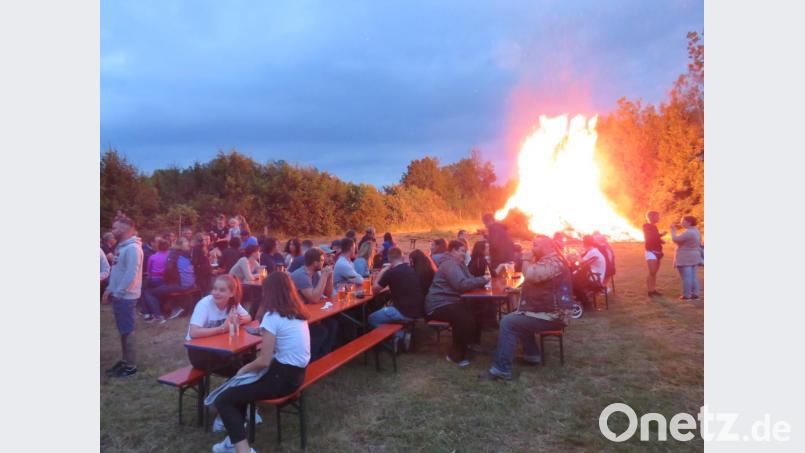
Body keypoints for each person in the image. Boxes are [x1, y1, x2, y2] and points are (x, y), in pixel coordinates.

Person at [211, 272, 310, 453]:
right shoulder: (297, 313)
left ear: (270, 292)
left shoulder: (272, 317)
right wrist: (263, 333)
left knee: (223, 399)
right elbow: (281, 339)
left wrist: (243, 369)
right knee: (237, 393)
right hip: (297, 375)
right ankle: (231, 442)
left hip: (281, 378)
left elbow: (263, 362)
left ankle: (242, 450)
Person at [481, 236, 573, 380]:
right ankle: (532, 355)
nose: (532, 248)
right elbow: (543, 286)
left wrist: (525, 259)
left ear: (546, 246)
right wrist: (516, 290)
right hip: (547, 312)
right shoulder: (551, 261)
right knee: (519, 317)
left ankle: (501, 369)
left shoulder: (554, 262)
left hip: (553, 315)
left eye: (535, 245)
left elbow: (532, 276)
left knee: (508, 322)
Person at [425, 240, 489, 366]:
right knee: (464, 318)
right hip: (438, 304)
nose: (464, 254)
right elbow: (460, 284)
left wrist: (481, 280)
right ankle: (455, 356)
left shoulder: (459, 264)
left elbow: (469, 279)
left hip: (450, 301)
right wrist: (483, 280)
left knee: (474, 313)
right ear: (453, 250)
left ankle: (470, 344)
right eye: (462, 251)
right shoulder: (449, 264)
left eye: (465, 252)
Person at [186, 275, 252, 376]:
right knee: (238, 367)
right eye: (215, 289)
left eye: (222, 290)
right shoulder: (205, 304)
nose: (216, 293)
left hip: (220, 347)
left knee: (248, 358)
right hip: (199, 352)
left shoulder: (233, 304)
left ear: (232, 293)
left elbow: (248, 317)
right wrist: (222, 328)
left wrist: (238, 320)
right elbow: (193, 332)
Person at [102, 217, 144, 378]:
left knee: (128, 331)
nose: (113, 230)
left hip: (127, 297)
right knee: (123, 331)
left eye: (115, 227)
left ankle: (131, 366)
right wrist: (110, 289)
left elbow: (131, 274)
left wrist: (118, 292)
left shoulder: (133, 248)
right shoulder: (122, 246)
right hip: (120, 295)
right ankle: (125, 361)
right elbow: (118, 270)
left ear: (127, 228)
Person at [370, 247, 424, 351]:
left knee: (372, 318)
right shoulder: (412, 270)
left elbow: (374, 290)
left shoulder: (391, 272)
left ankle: (400, 335)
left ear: (389, 260)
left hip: (403, 312)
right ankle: (397, 337)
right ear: (402, 257)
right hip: (418, 310)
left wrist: (383, 271)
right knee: (387, 307)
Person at [290, 247, 337, 360]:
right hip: (295, 316)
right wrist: (324, 276)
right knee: (321, 331)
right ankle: (312, 361)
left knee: (333, 324)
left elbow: (328, 294)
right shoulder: (301, 275)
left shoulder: (315, 273)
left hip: (310, 312)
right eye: (321, 260)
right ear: (315, 263)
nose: (324, 262)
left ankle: (324, 358)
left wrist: (329, 276)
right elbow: (314, 298)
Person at [143, 237, 196, 321]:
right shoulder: (187, 253)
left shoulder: (173, 254)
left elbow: (169, 270)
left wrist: (167, 281)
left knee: (148, 292)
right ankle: (168, 307)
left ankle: (158, 315)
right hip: (191, 283)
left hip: (181, 285)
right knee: (162, 288)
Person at [671, 215, 703, 300]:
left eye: (682, 221)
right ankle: (695, 294)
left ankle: (687, 296)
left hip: (685, 257)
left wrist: (673, 230)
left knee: (686, 277)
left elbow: (675, 239)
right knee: (693, 276)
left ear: (688, 222)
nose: (681, 222)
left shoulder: (689, 232)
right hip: (694, 256)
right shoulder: (696, 231)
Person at [572, 235, 607, 308]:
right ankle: (581, 300)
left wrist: (577, 254)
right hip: (598, 276)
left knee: (574, 281)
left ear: (585, 243)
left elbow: (580, 262)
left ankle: (583, 302)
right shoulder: (594, 250)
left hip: (595, 279)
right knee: (577, 277)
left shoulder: (592, 252)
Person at [142, 237, 170, 323]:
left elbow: (149, 271)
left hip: (155, 280)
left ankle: (152, 314)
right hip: (166, 280)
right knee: (150, 291)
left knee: (145, 292)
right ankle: (149, 313)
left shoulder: (153, 257)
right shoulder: (170, 256)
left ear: (158, 246)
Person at [643, 211, 666, 296]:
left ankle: (653, 290)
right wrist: (661, 235)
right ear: (651, 217)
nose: (659, 218)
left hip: (658, 251)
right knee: (652, 271)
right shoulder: (646, 226)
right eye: (657, 216)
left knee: (655, 272)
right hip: (651, 251)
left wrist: (661, 240)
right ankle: (650, 291)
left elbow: (655, 238)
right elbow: (649, 238)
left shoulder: (655, 227)